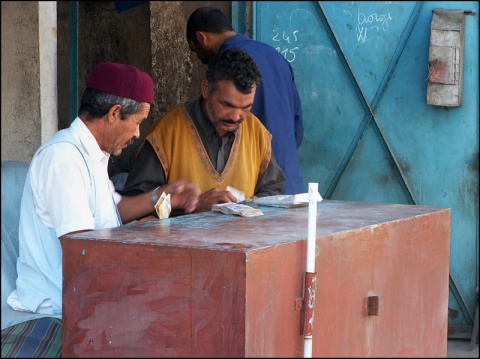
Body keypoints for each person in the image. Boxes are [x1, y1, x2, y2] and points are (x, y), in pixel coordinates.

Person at [3, 62, 200, 357]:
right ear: (114, 114)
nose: (137, 134)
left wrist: (162, 196)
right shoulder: (64, 159)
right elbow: (85, 251)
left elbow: (115, 209)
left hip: (86, 301)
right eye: (137, 122)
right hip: (56, 309)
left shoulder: (93, 155)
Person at [122, 48, 286, 213]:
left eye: (246, 107)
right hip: (182, 238)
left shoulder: (256, 131)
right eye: (227, 105)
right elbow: (137, 204)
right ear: (206, 88)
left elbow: (272, 188)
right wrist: (194, 207)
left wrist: (258, 202)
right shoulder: (167, 132)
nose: (236, 116)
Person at [186, 6, 305, 195]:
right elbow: (297, 128)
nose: (198, 57)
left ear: (202, 38)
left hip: (253, 190)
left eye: (194, 49)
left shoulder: (226, 66)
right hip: (290, 184)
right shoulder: (276, 56)